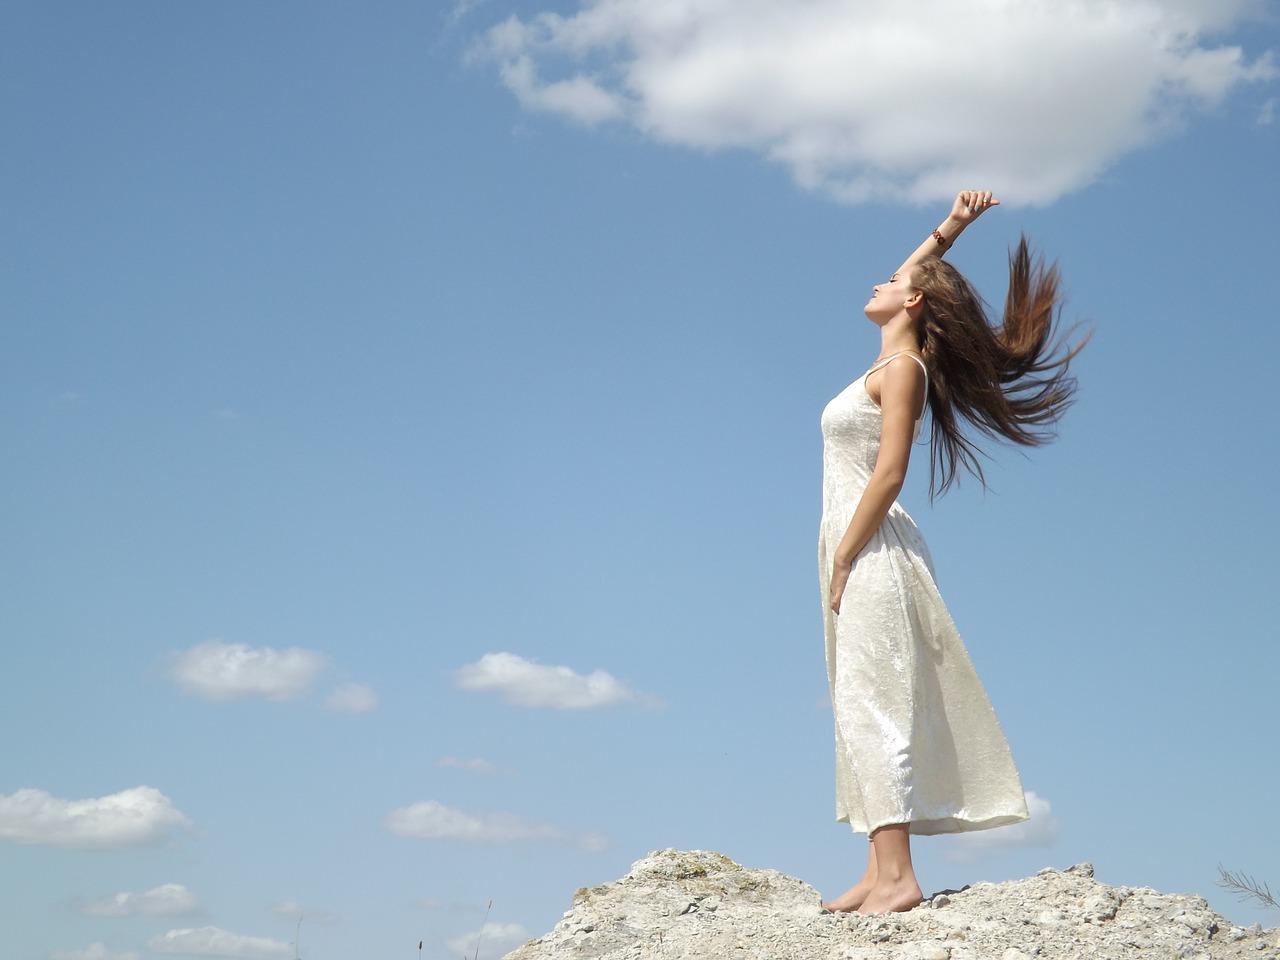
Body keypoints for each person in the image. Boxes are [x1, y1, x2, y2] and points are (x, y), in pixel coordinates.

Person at [818, 189, 1085, 915]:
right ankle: (878, 871)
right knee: (856, 700)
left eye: (894, 283)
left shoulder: (902, 372)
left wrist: (844, 556)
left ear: (910, 307)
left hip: (870, 547)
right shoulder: (886, 359)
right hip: (854, 542)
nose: (881, 280)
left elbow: (891, 471)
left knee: (877, 702)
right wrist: (952, 228)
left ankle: (899, 877)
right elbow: (914, 275)